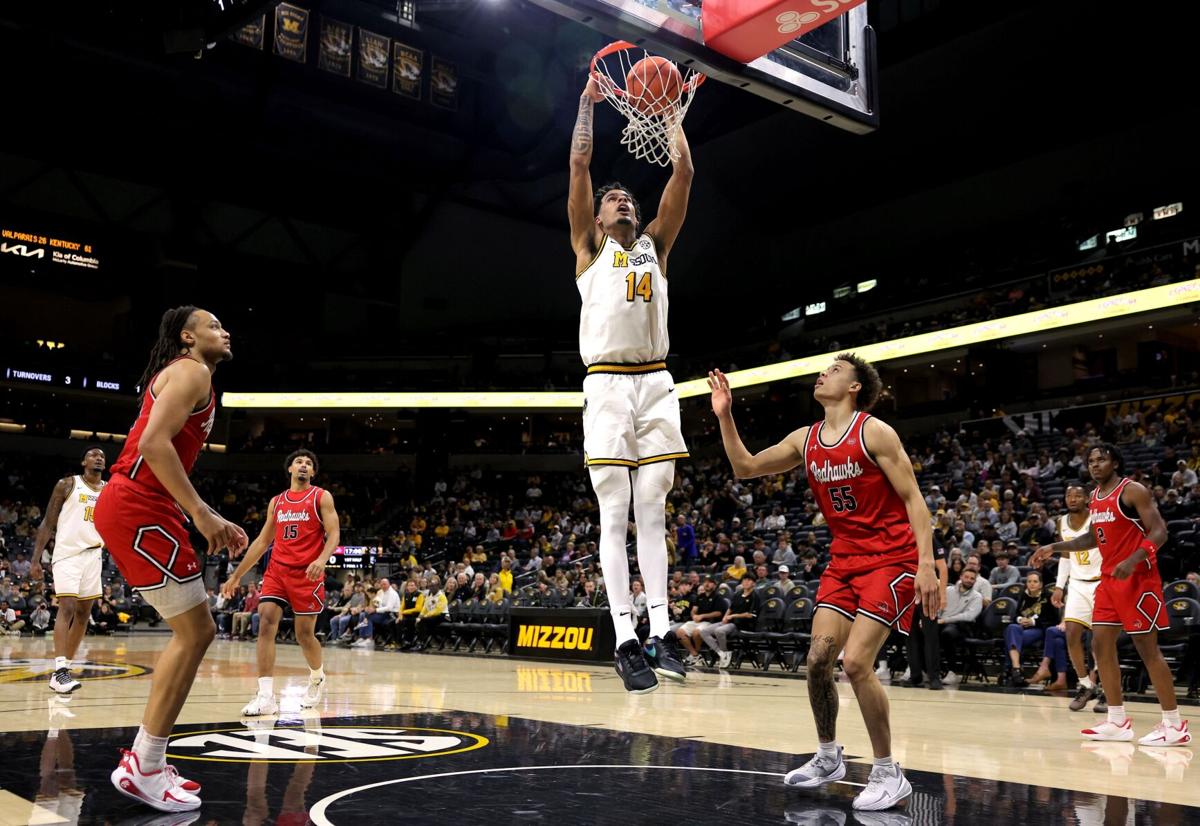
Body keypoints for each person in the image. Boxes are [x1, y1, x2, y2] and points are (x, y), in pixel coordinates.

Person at [709, 354, 940, 811]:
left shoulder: (874, 432)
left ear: (855, 387)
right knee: (817, 661)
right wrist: (725, 415)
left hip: (891, 560)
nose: (823, 373)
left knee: (855, 663)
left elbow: (914, 499)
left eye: (834, 370)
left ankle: (888, 772)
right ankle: (829, 756)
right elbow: (746, 467)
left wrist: (928, 564)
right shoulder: (806, 438)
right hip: (844, 562)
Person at [93, 306, 247, 812]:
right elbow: (154, 445)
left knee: (196, 632)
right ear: (187, 337)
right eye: (213, 325)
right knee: (196, 632)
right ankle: (145, 766)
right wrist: (200, 513)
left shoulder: (190, 375)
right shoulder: (192, 370)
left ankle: (148, 760)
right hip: (139, 503)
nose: (224, 331)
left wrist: (205, 512)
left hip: (142, 503)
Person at [568, 73, 692, 692]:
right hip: (608, 384)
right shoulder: (589, 249)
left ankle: (661, 629)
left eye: (626, 198)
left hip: (656, 382)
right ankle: (625, 638)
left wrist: (670, 114)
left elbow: (683, 174)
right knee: (615, 510)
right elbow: (580, 163)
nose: (621, 201)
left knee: (654, 507)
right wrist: (587, 105)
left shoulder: (654, 246)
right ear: (596, 216)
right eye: (612, 198)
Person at [1032, 444, 1188, 746]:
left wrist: (1133, 560)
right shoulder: (1095, 497)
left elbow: (1160, 532)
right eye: (1091, 461)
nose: (1095, 465)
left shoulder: (1133, 491)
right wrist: (1054, 547)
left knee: (1147, 650)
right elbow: (1093, 537)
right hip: (1109, 581)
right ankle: (1117, 721)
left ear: (1115, 462)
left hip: (1138, 580)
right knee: (1100, 644)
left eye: (1101, 459)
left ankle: (1174, 724)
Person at [223, 449, 340, 717]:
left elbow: (334, 533)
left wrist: (322, 560)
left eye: (309, 463)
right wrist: (237, 575)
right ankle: (265, 697)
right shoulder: (277, 502)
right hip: (277, 571)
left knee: (304, 635)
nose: (303, 465)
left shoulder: (321, 497)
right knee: (265, 621)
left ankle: (317, 677)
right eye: (299, 462)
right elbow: (263, 542)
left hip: (307, 573)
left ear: (313, 472)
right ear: (290, 469)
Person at [32, 447, 108, 693]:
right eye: (93, 455)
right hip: (68, 554)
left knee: (84, 614)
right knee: (67, 608)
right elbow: (48, 523)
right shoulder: (67, 485)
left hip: (94, 555)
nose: (99, 458)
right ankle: (60, 671)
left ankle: (65, 669)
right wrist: (35, 560)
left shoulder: (109, 490)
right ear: (83, 462)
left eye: (102, 456)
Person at [1051, 484, 1105, 712]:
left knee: (1100, 641)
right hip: (1077, 585)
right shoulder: (1061, 522)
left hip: (1101, 583)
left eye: (1078, 495)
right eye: (1069, 495)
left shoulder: (1097, 518)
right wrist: (1059, 586)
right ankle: (1085, 685)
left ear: (1087, 499)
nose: (1072, 499)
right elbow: (1065, 555)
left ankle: (1106, 688)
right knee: (1072, 634)